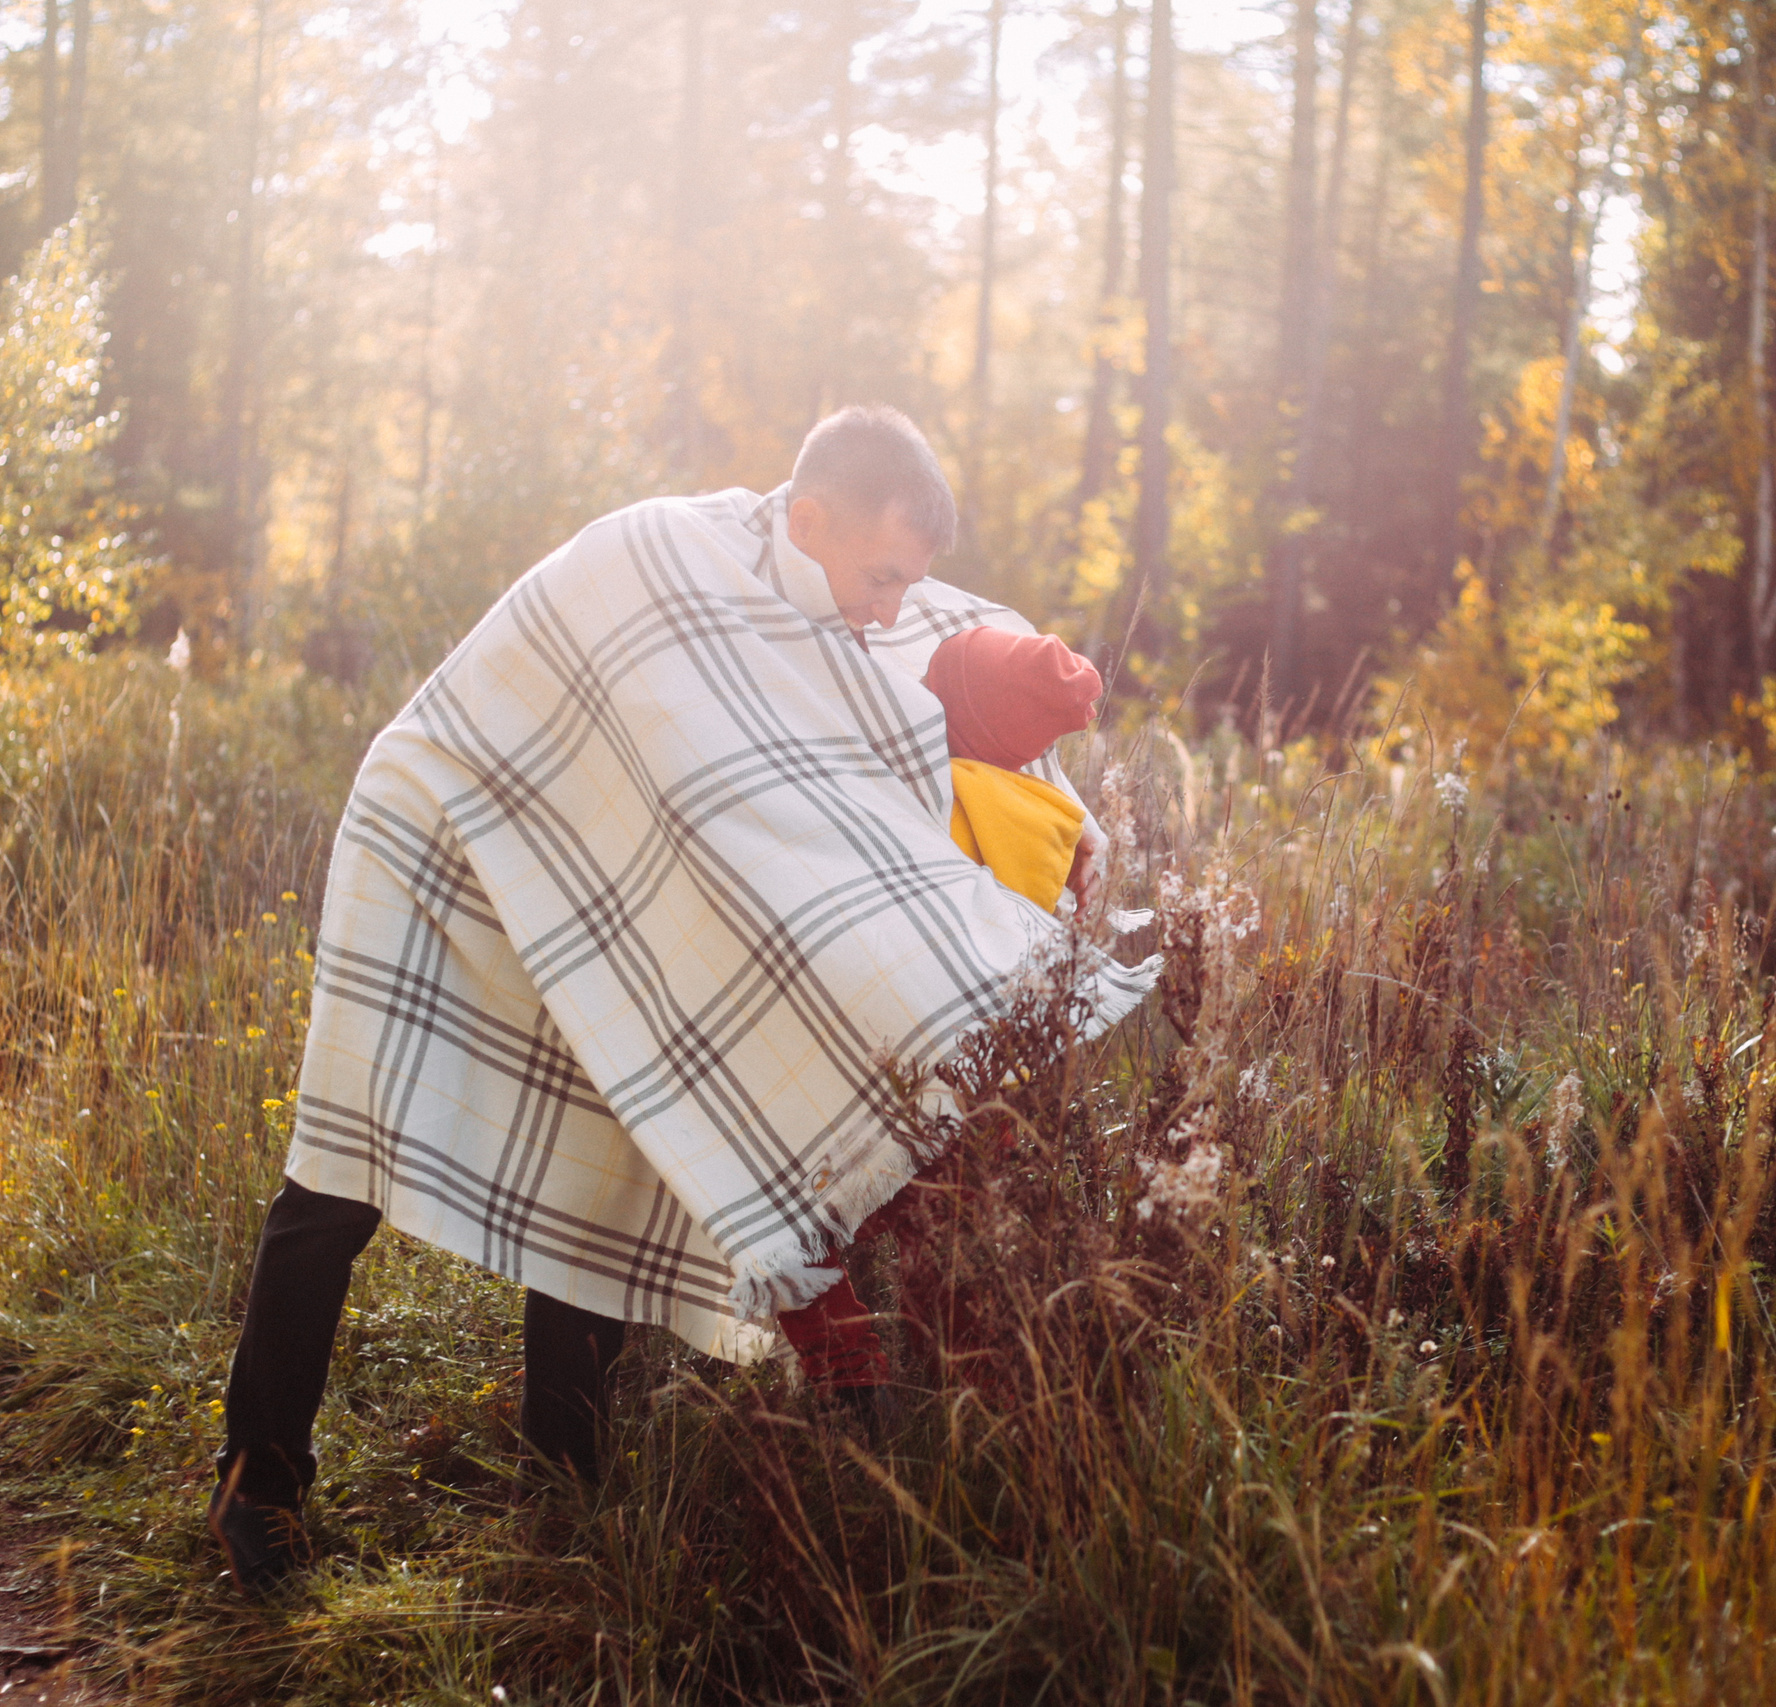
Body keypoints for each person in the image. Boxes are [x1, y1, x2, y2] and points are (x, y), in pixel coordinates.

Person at [208, 406, 1154, 1594]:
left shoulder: (824, 607)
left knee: (608, 1141)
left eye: (907, 582)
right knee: (344, 1160)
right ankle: (260, 1487)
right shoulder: (663, 557)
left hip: (587, 850)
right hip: (446, 827)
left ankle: (565, 1470)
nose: (889, 608)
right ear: (807, 520)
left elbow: (900, 711)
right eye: (877, 576)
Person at [768, 624, 1109, 1383]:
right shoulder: (1044, 817)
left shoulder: (902, 797)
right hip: (980, 1085)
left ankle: (849, 1375)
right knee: (947, 1236)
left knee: (808, 1225)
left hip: (870, 1070)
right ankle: (958, 1378)